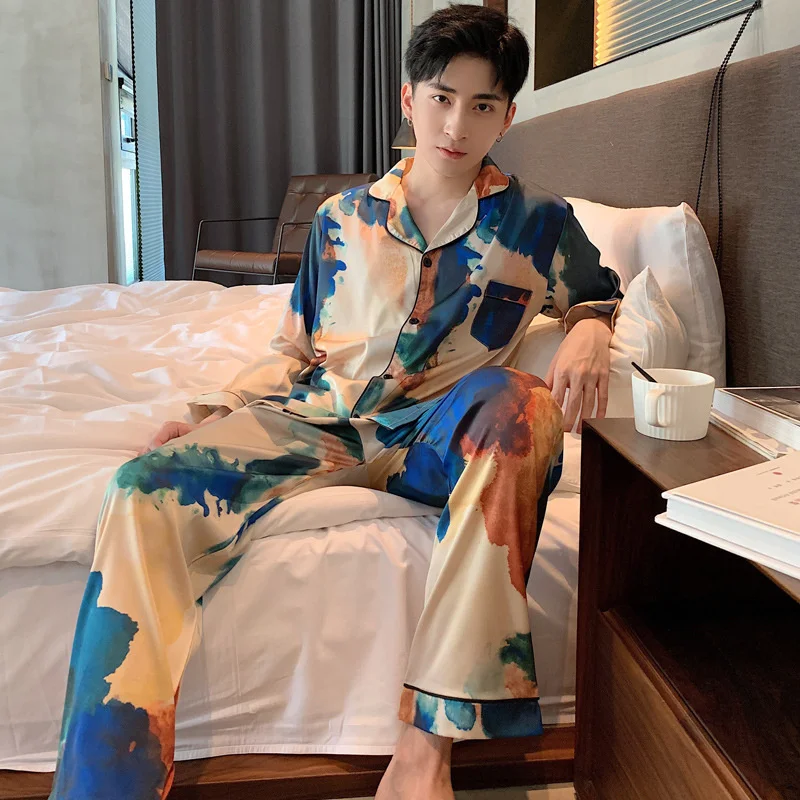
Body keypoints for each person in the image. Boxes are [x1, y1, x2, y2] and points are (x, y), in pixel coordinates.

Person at [48, 5, 621, 799]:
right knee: (141, 490)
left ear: (508, 117)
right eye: (442, 97)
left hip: (435, 439)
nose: (457, 124)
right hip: (321, 425)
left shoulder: (541, 224)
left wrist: (591, 328)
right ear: (409, 99)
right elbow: (293, 350)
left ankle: (426, 751)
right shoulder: (342, 219)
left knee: (522, 405)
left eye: (483, 104)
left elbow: (597, 289)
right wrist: (212, 412)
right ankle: (107, 787)